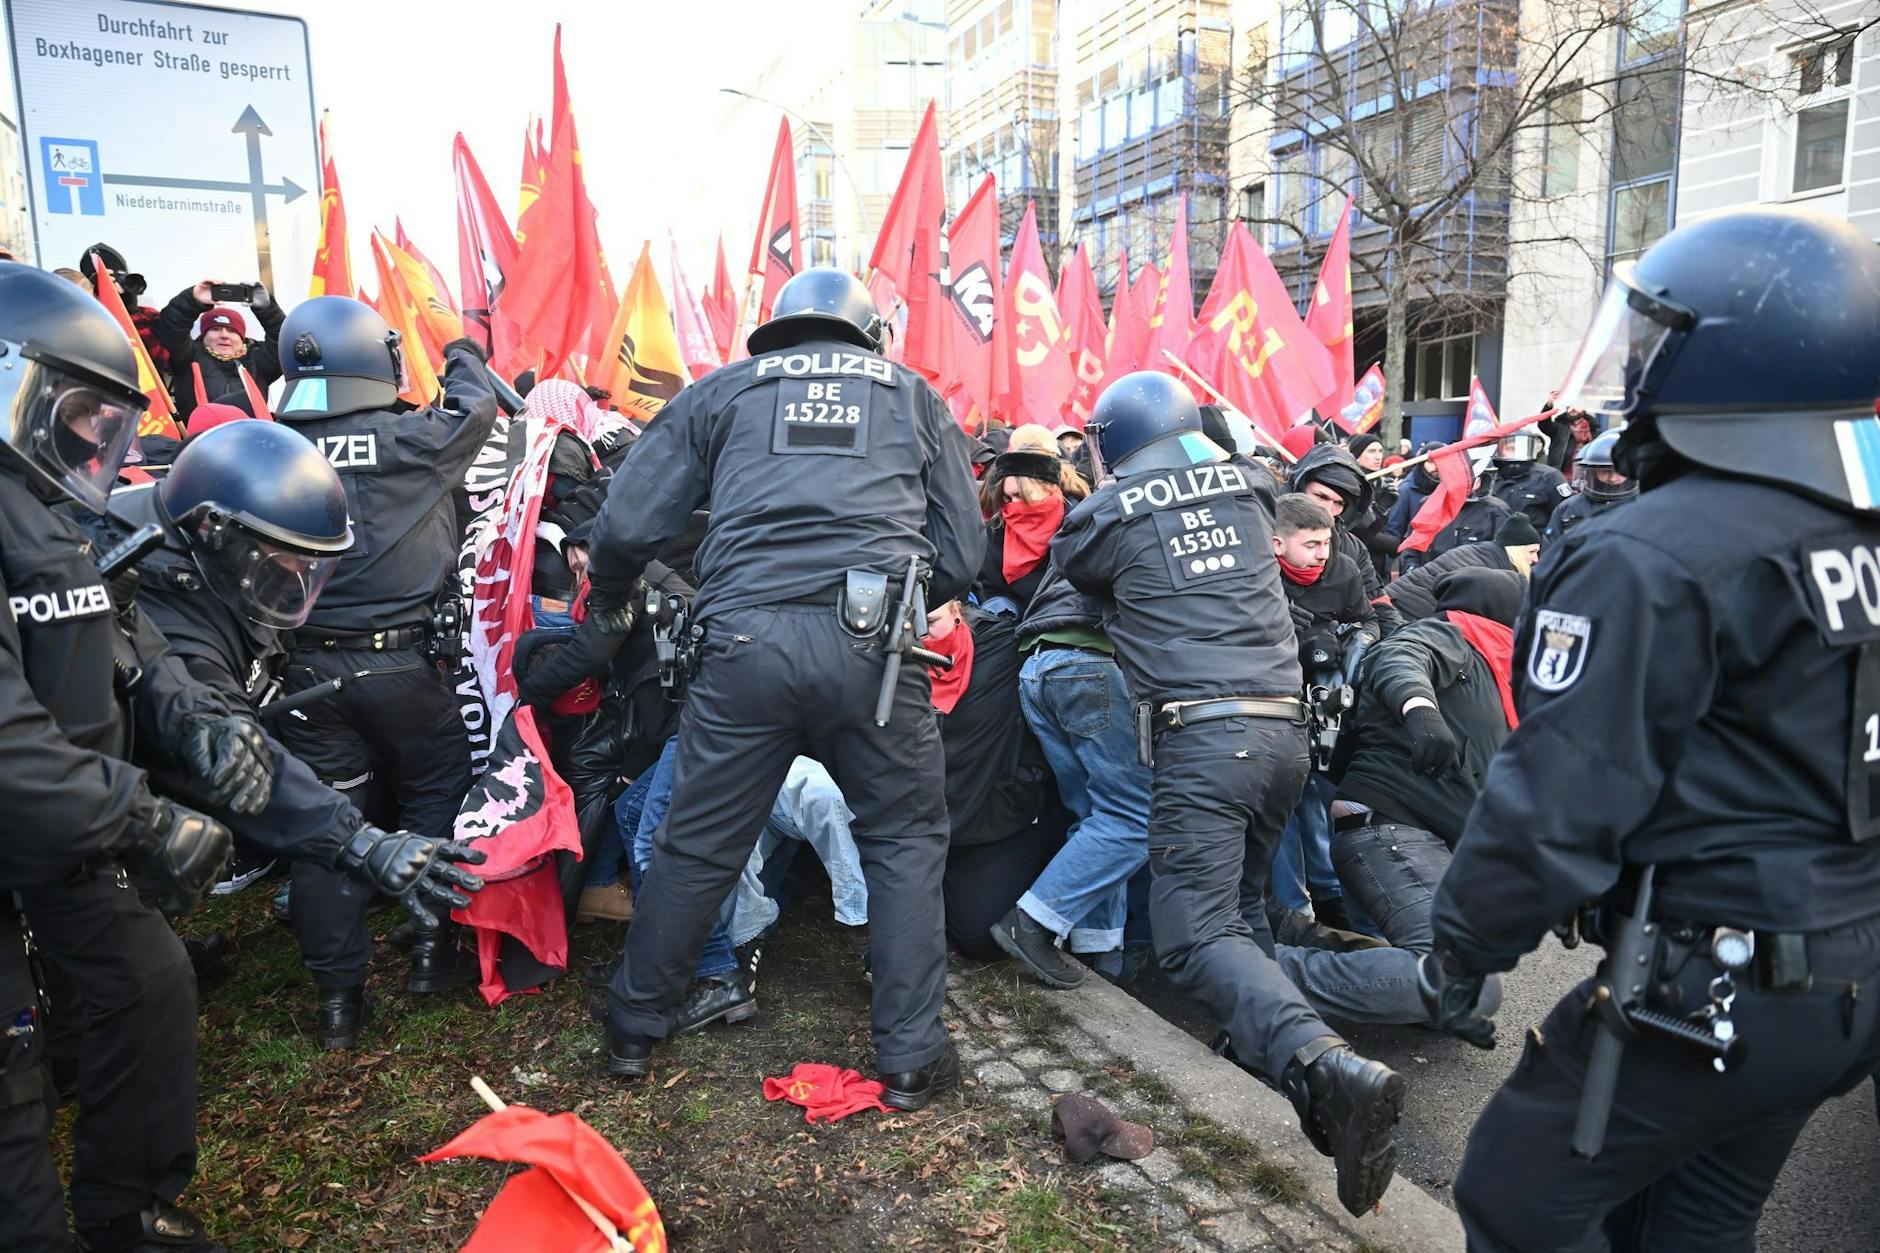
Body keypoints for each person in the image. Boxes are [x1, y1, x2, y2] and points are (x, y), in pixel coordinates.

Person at [1420, 207, 1880, 1249]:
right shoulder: (1846, 534)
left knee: (1513, 1191)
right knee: (1697, 1219)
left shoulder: (1651, 552)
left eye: (1652, 342)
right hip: (1841, 970)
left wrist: (1463, 944)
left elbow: (1554, 797)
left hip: (1713, 979)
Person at [585, 267, 982, 1109]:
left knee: (697, 843)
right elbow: (964, 550)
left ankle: (632, 1027)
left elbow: (626, 522)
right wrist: (904, 592)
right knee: (905, 840)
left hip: (742, 642)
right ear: (866, 336)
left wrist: (614, 592)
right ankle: (911, 1056)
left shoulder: (723, 389)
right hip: (875, 645)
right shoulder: (911, 395)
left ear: (779, 329)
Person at [1052, 371, 1404, 1217]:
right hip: (1282, 732)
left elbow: (1078, 566)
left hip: (1206, 736)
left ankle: (1328, 1067)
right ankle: (1281, 1064)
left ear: (1111, 442)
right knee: (1242, 917)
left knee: (1190, 933)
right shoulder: (1251, 483)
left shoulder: (1108, 510)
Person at [0, 261, 258, 1252]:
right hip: (51, 808)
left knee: (144, 976)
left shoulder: (48, 516)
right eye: (74, 413)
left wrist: (203, 729)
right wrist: (142, 815)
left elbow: (127, 652)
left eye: (103, 424)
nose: (89, 442)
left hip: (56, 824)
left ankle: (130, 1205)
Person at [86, 421, 489, 1049]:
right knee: (138, 986)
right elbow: (217, 736)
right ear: (218, 535)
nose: (297, 585)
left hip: (119, 777)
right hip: (69, 803)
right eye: (284, 566)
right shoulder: (162, 585)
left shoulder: (201, 565)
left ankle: (336, 999)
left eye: (311, 570)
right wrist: (358, 842)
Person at [269, 297, 497, 1008]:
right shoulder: (410, 441)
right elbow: (477, 410)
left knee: (326, 823)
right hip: (404, 667)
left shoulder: (270, 446)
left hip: (304, 674)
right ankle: (431, 952)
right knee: (436, 790)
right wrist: (464, 353)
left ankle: (340, 999)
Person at [1277, 567, 1524, 1026]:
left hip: (1420, 838)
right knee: (1463, 985)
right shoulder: (1452, 636)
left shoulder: (1498, 672)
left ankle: (1293, 936)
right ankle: (1257, 973)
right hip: (1394, 830)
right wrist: (1421, 710)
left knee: (1434, 988)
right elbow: (1398, 656)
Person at [989, 566, 1152, 988]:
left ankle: (1099, 949)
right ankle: (1032, 922)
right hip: (1090, 661)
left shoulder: (1096, 519)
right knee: (1137, 817)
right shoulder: (1165, 518)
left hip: (1038, 665)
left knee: (1097, 817)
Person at [1269, 492, 1378, 929]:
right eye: (1311, 545)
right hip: (1273, 701)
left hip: (1328, 704)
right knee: (1280, 808)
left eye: (1326, 543)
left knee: (1322, 798)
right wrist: (1280, 631)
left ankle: (1332, 897)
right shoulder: (1257, 574)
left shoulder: (1343, 570)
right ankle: (1291, 909)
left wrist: (1352, 641)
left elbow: (1368, 619)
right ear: (1277, 544)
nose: (1322, 553)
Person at [1286, 441, 1402, 634]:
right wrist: (1272, 613)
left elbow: (1378, 608)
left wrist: (1403, 646)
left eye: (1339, 503)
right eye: (1321, 497)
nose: (1328, 510)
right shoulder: (1260, 532)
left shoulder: (1352, 549)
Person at [974, 424, 1089, 612]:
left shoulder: (1080, 523)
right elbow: (990, 588)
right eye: (1008, 498)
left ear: (1047, 489)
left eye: (1021, 496)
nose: (1013, 506)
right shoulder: (997, 529)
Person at [156, 283, 284, 430]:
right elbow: (171, 329)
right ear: (203, 336)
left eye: (231, 331)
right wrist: (192, 300)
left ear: (242, 337)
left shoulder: (258, 360)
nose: (224, 335)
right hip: (199, 443)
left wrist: (267, 308)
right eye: (215, 329)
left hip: (252, 440)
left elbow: (284, 341)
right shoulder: (186, 356)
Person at [1386, 512, 1540, 621]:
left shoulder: (1481, 553)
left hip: (1393, 606)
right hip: (1404, 615)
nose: (1535, 559)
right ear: (1515, 550)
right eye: (1532, 552)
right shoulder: (1491, 569)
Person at [79, 243, 167, 377]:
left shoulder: (148, 316)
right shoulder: (82, 319)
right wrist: (95, 296)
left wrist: (130, 309)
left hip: (145, 391)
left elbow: (163, 356)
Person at [1543, 427, 1637, 545]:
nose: (1613, 478)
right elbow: (1550, 549)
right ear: (1592, 470)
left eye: (1619, 471)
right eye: (1605, 471)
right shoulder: (1569, 508)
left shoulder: (1644, 505)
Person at [1486, 425, 1569, 531]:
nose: (1516, 452)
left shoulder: (1549, 476)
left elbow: (1565, 515)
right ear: (1500, 449)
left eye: (1521, 447)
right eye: (1510, 448)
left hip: (1534, 543)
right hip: (1496, 542)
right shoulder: (1490, 477)